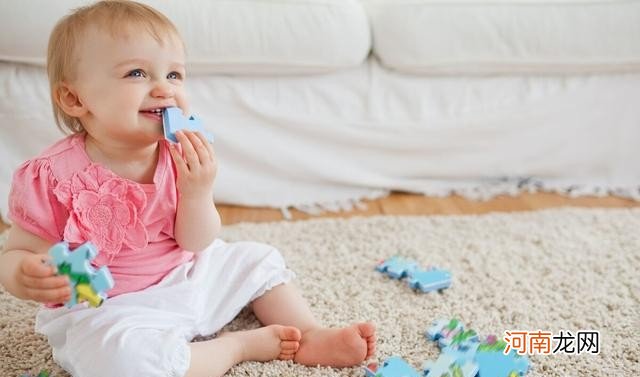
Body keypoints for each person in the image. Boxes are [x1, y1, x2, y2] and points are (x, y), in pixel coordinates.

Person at [0, 1, 376, 376]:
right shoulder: (53, 176)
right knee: (121, 361)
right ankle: (234, 347)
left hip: (188, 275)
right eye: (136, 73)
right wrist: (24, 273)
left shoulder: (178, 153)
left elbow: (197, 242)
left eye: (175, 75)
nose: (164, 88)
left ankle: (308, 333)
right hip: (111, 308)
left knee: (257, 259)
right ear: (75, 98)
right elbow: (15, 251)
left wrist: (197, 192)